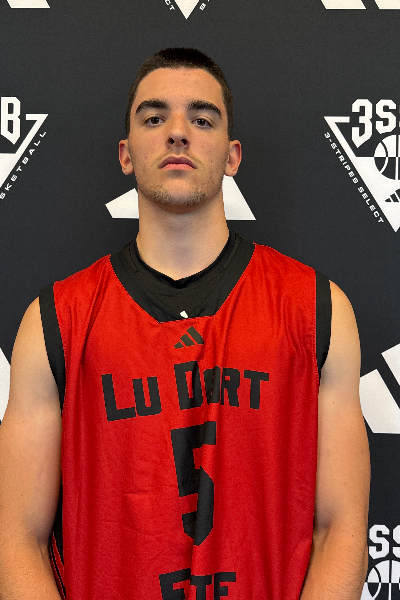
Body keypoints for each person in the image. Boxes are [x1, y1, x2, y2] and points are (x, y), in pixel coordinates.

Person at [0, 48, 370, 600]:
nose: (178, 133)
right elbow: (16, 541)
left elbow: (342, 531)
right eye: (154, 118)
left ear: (232, 156)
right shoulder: (57, 320)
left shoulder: (316, 309)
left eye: (202, 119)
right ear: (126, 155)